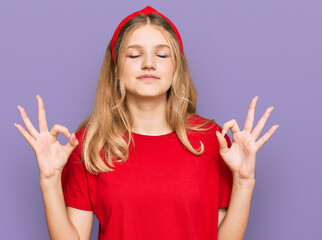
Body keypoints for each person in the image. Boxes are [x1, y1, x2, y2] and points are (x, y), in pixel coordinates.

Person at [14, 5, 279, 240]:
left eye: (162, 55)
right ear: (117, 68)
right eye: (134, 55)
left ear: (176, 68)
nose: (149, 64)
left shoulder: (212, 140)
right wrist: (49, 180)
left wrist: (244, 181)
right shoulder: (89, 144)